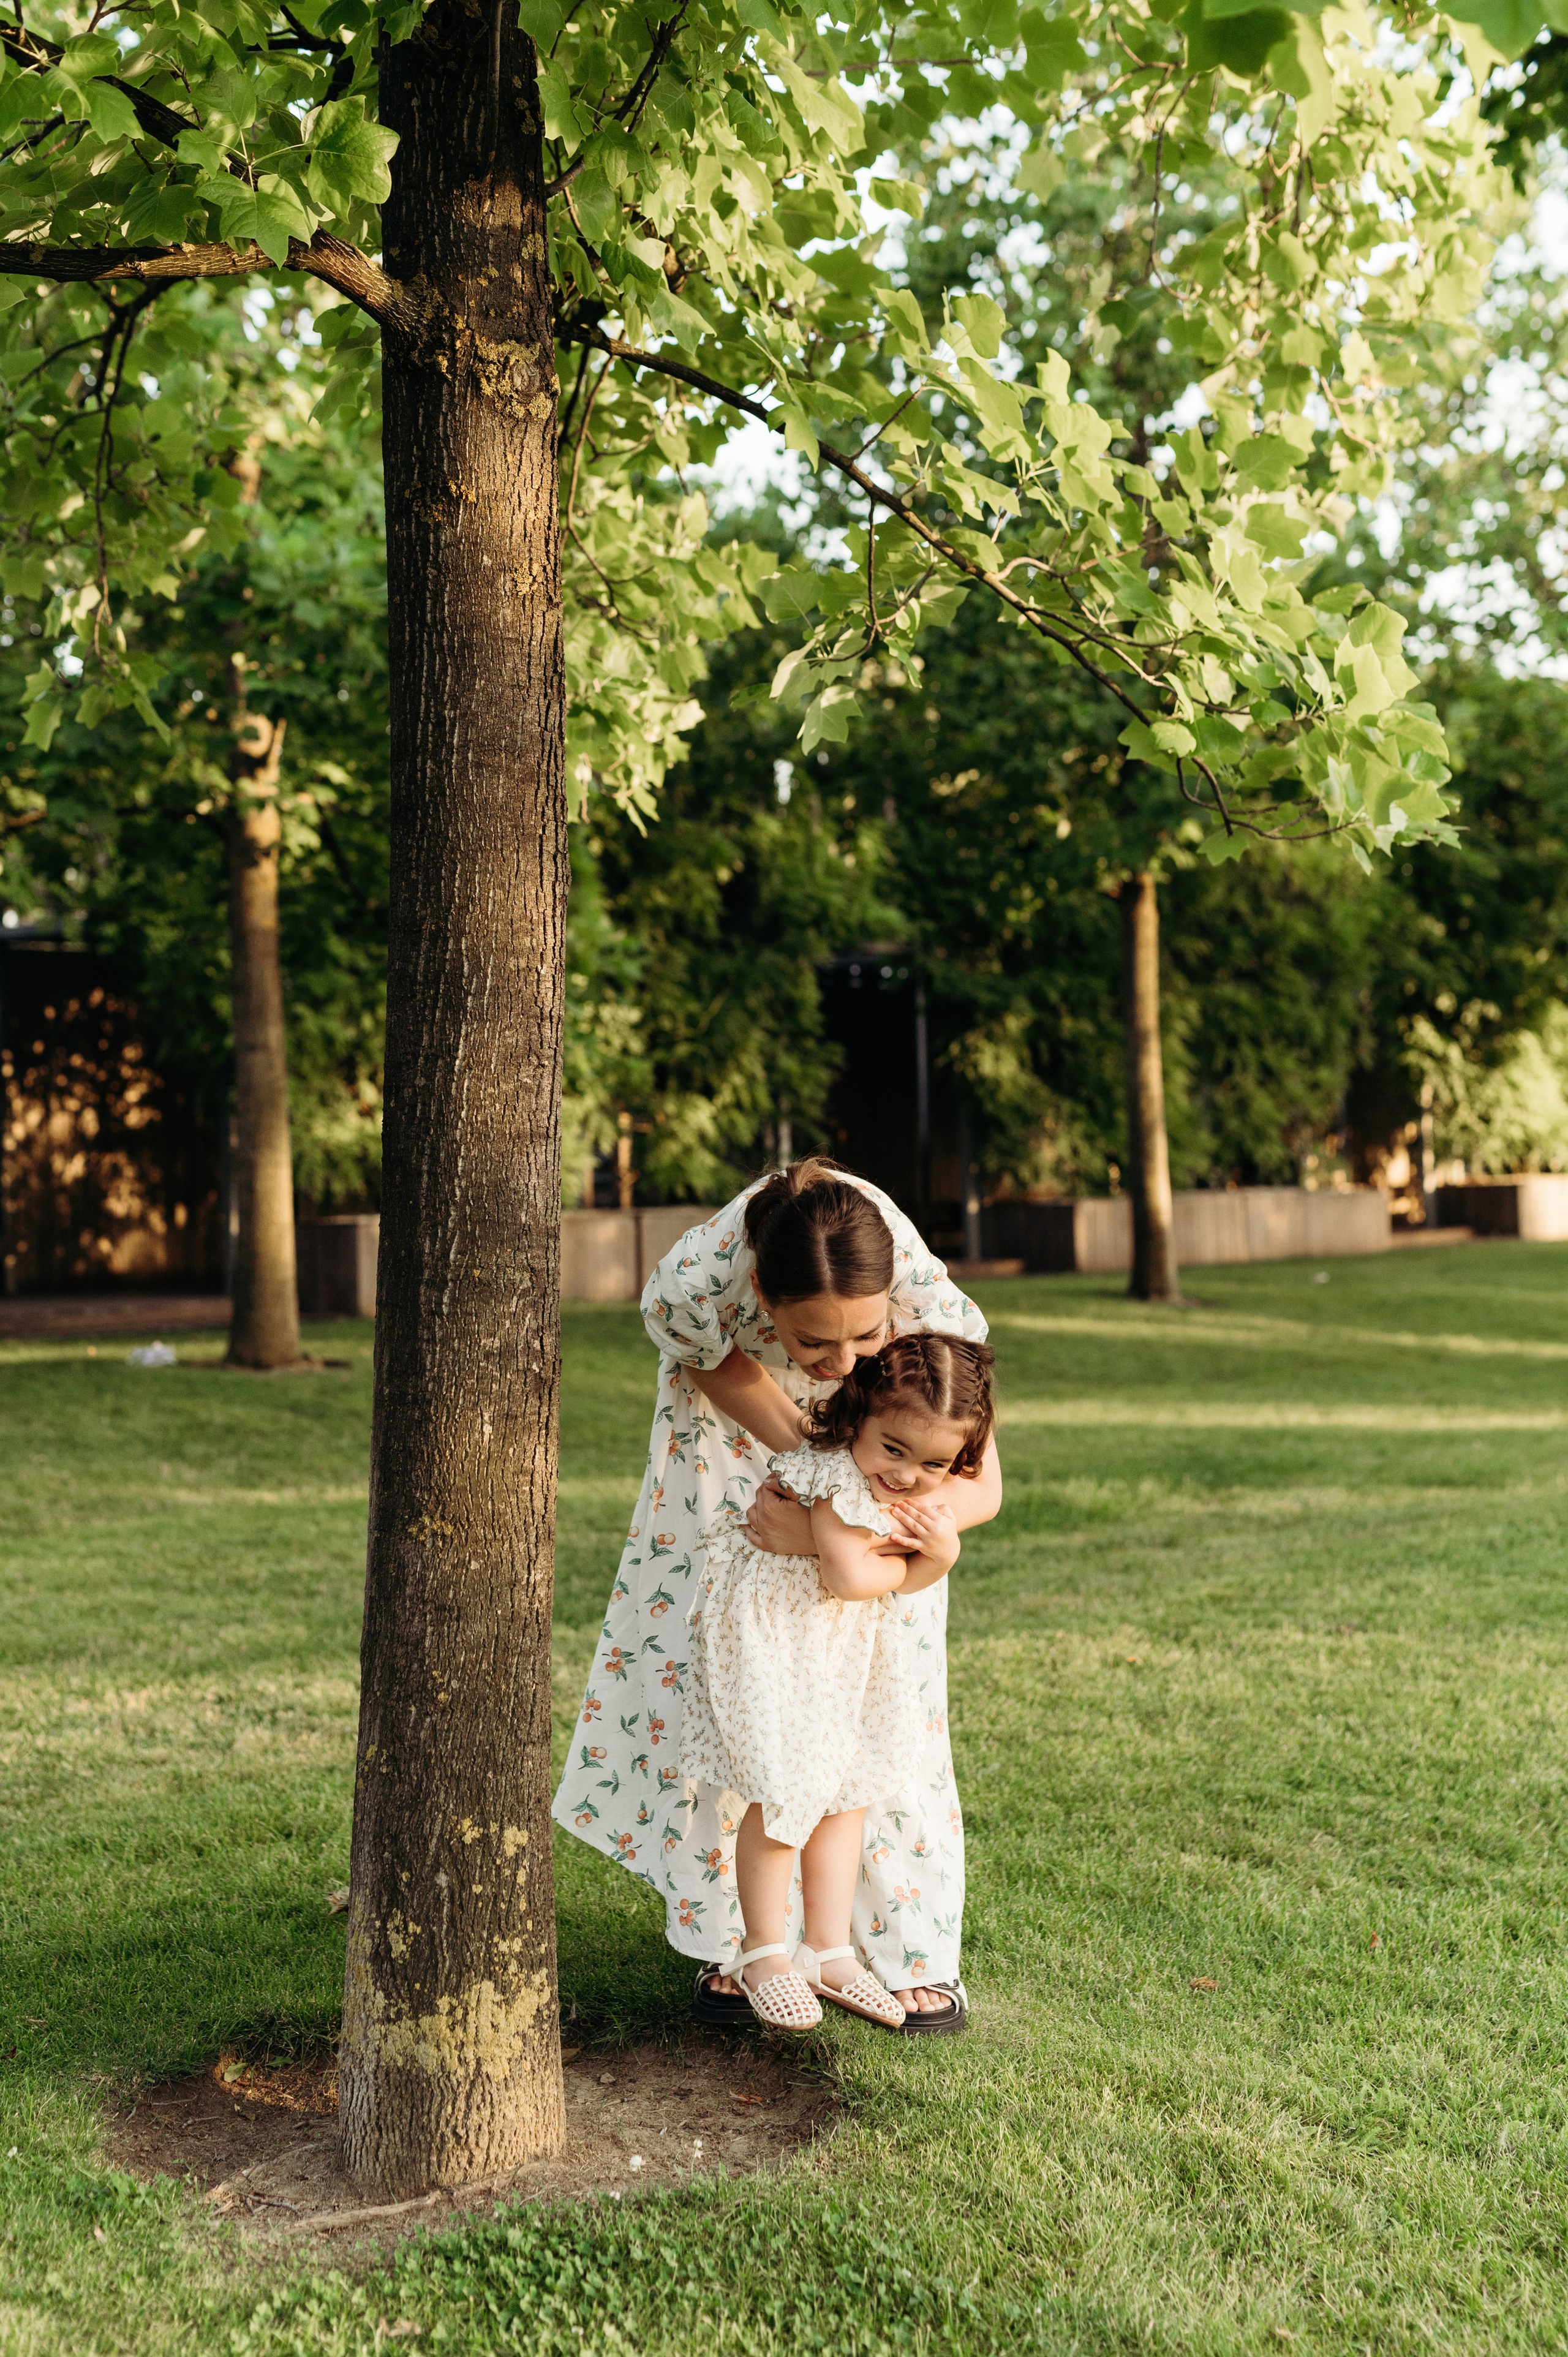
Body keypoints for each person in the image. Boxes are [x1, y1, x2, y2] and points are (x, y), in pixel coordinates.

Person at [550, 1156, 1001, 2031]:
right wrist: (809, 1493)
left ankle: (896, 1948)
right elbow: (771, 1413)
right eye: (814, 1343)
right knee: (748, 1718)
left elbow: (979, 1485)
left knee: (873, 1729)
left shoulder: (928, 1314)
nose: (842, 1364)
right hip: (739, 1468)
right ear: (761, 1292)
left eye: (867, 1338)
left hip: (877, 1502)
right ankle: (746, 1943)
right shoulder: (694, 1288)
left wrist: (852, 1523)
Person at [682, 1334, 996, 2033]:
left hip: (830, 1643)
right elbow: (852, 1576)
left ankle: (826, 1948)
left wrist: (911, 1546)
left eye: (935, 1463)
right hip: (778, 1640)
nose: (910, 1474)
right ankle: (765, 1950)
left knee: (845, 1789)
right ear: (856, 1420)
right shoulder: (830, 1475)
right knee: (787, 1787)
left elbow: (855, 1575)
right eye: (895, 1448)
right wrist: (933, 1558)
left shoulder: (869, 1477)